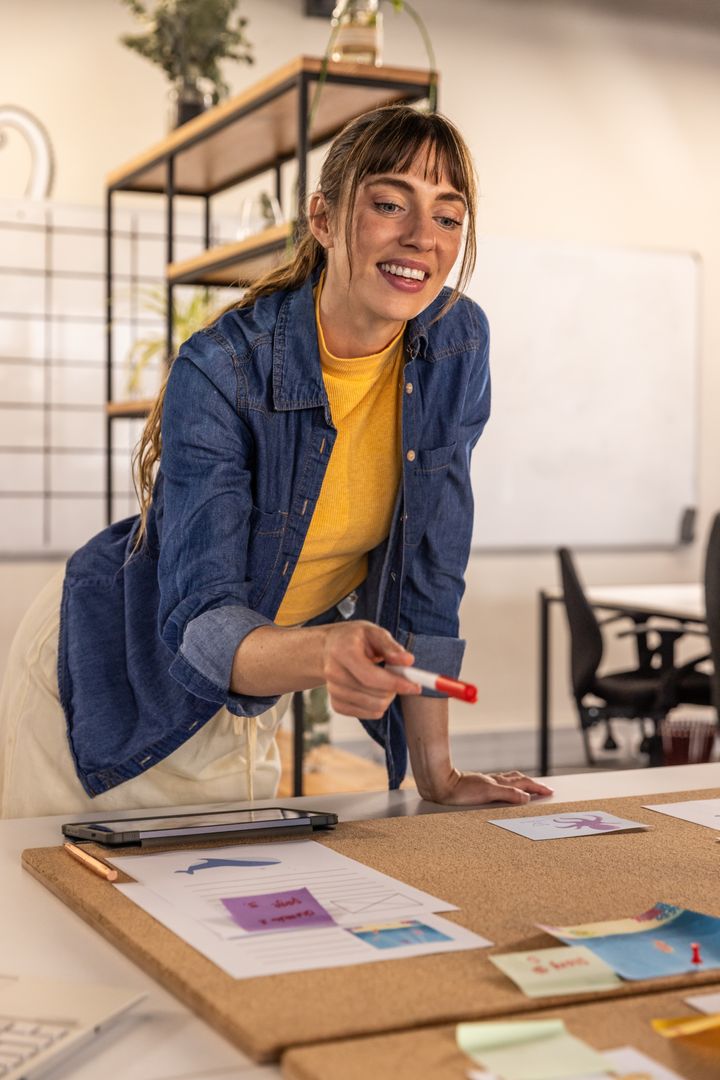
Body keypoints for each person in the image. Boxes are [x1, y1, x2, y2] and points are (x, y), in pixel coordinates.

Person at [0, 105, 552, 818]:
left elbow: (429, 572)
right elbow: (201, 620)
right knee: (60, 912)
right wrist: (325, 651)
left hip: (250, 689)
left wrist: (437, 776)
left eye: (448, 217)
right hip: (109, 672)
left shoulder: (455, 343)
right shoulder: (224, 366)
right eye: (390, 204)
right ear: (322, 219)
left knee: (215, 914)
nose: (422, 237)